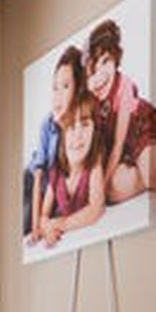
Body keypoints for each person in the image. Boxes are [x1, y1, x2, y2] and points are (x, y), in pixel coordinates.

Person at [85, 18, 156, 205]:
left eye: (106, 62)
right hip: (125, 152)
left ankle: (153, 158)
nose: (100, 76)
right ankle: (139, 168)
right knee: (114, 189)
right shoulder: (91, 100)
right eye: (93, 71)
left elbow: (117, 145)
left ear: (115, 60)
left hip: (142, 130)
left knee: (151, 174)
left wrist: (100, 192)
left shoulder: (124, 87)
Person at [24, 45, 86, 246]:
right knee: (24, 221)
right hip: (33, 185)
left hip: (51, 195)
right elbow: (38, 176)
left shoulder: (80, 130)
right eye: (55, 88)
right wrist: (36, 226)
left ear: (78, 90)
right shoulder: (48, 125)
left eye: (65, 86)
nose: (57, 95)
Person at [38, 88, 110, 247]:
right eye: (71, 127)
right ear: (63, 136)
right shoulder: (56, 170)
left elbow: (96, 209)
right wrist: (47, 228)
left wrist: (61, 224)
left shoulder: (94, 163)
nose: (78, 135)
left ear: (94, 132)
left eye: (85, 125)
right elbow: (43, 215)